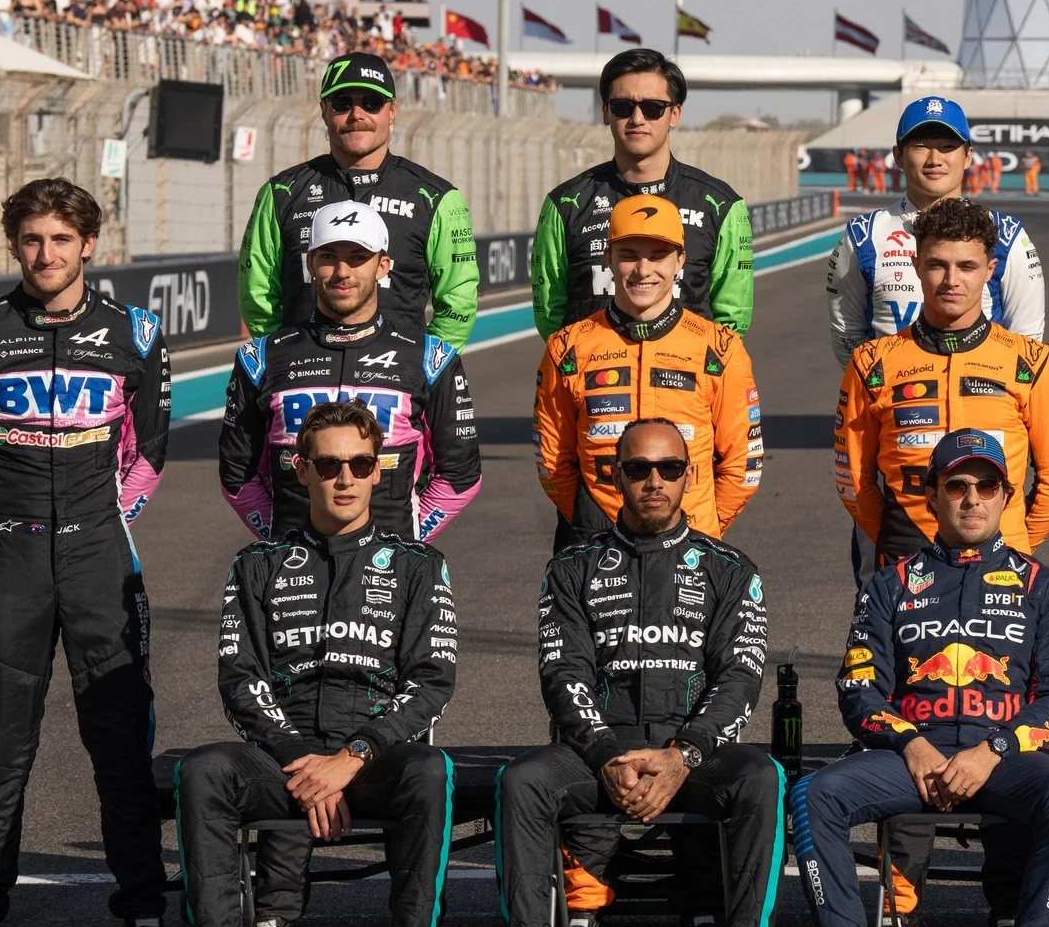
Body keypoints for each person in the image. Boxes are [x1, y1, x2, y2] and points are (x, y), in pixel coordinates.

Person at [0, 179, 172, 927]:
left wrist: (107, 525)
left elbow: (148, 454)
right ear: (15, 245)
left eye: (62, 239)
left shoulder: (134, 333)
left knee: (120, 748)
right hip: (11, 558)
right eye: (32, 239)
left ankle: (143, 917)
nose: (47, 254)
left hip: (102, 557)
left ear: (90, 244)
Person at [166, 401, 461, 927]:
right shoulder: (256, 566)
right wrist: (306, 763)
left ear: (381, 470)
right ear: (300, 471)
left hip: (373, 758)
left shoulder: (419, 565)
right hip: (288, 758)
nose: (345, 477)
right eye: (328, 464)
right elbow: (240, 681)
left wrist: (351, 757)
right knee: (204, 771)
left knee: (431, 770)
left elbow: (431, 682)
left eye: (360, 462)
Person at [495, 418, 782, 927]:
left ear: (689, 475)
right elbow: (562, 673)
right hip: (602, 748)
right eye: (638, 469)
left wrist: (685, 756)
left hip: (690, 749)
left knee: (762, 776)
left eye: (669, 469)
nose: (654, 481)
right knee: (521, 781)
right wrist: (604, 754)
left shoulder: (730, 568)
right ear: (615, 475)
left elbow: (740, 677)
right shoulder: (572, 566)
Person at [792, 430, 1049, 927]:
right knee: (814, 794)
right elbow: (858, 690)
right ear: (931, 495)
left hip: (1002, 758)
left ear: (1007, 495)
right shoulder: (889, 585)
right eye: (957, 485)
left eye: (987, 485)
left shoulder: (1045, 587)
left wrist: (994, 750)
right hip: (912, 759)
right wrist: (911, 744)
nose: (972, 498)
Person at [218, 199, 480, 545]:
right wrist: (279, 535)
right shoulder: (262, 357)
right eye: (328, 257)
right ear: (310, 263)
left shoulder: (430, 357)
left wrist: (411, 536)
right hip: (293, 560)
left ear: (383, 266)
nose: (343, 272)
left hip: (391, 563)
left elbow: (461, 474)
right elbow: (237, 472)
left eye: (358, 258)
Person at [835, 197, 1049, 561]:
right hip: (906, 560)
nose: (951, 281)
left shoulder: (1033, 362)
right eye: (936, 265)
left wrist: (1012, 544)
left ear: (990, 269)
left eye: (967, 266)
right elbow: (853, 482)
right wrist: (898, 541)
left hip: (1004, 560)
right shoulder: (871, 362)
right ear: (915, 265)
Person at [536, 194, 763, 551]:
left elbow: (743, 462)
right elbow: (552, 462)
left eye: (658, 256)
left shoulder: (720, 348)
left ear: (680, 261)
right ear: (608, 258)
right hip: (597, 545)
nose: (644, 270)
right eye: (629, 255)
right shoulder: (567, 348)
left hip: (693, 544)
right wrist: (591, 522)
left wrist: (701, 529)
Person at [239, 51, 478, 346]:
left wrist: (426, 372)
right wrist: (282, 360)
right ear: (324, 110)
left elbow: (458, 301)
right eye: (342, 103)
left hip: (399, 381)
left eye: (371, 103)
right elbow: (256, 295)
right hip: (301, 379)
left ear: (392, 111)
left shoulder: (437, 198)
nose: (357, 115)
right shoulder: (280, 194)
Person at [531, 47, 756, 338]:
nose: (637, 119)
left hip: (687, 380)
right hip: (594, 378)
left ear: (674, 114)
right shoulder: (565, 205)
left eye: (653, 108)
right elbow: (550, 317)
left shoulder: (720, 205)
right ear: (605, 112)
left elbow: (732, 322)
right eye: (623, 107)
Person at [827, 96, 1045, 363]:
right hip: (891, 401)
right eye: (920, 146)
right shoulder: (863, 235)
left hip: (984, 400)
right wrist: (875, 392)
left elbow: (1028, 340)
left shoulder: (1007, 235)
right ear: (898, 156)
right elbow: (846, 334)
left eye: (947, 146)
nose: (934, 159)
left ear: (967, 157)